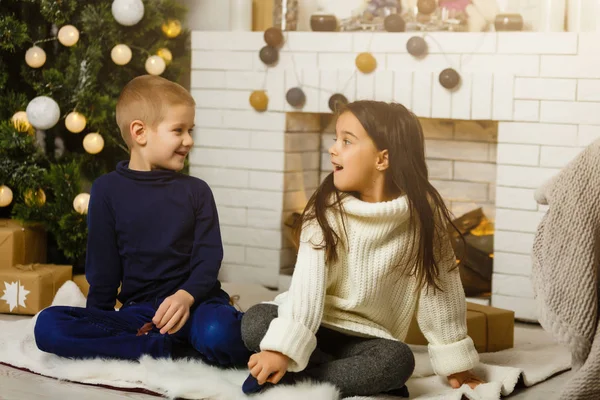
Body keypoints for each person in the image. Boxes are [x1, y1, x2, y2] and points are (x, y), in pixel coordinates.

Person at [240, 100, 484, 397]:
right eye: (335, 139)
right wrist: (283, 349)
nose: (333, 149)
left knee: (398, 361)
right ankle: (320, 372)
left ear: (382, 159)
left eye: (346, 141)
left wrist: (454, 361)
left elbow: (440, 292)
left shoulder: (422, 220)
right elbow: (306, 289)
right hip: (313, 322)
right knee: (255, 322)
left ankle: (299, 378)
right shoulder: (325, 212)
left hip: (367, 337)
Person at [34, 75, 250, 366]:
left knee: (220, 333)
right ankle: (166, 348)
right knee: (48, 325)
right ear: (140, 132)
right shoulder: (107, 190)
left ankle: (159, 345)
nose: (189, 140)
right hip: (142, 313)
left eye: (191, 130)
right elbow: (103, 267)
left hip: (197, 305)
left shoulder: (196, 191)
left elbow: (209, 259)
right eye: (179, 130)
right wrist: (101, 320)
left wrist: (186, 297)